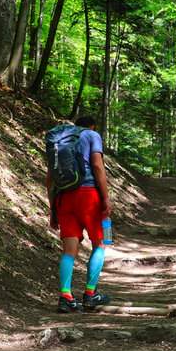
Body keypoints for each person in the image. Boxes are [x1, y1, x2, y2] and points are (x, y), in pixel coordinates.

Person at [45, 116, 112, 313]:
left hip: (64, 198)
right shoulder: (92, 135)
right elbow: (98, 166)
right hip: (89, 196)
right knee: (100, 243)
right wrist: (106, 198)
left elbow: (49, 179)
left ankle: (65, 296)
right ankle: (91, 294)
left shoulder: (60, 141)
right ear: (92, 126)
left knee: (68, 251)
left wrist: (53, 209)